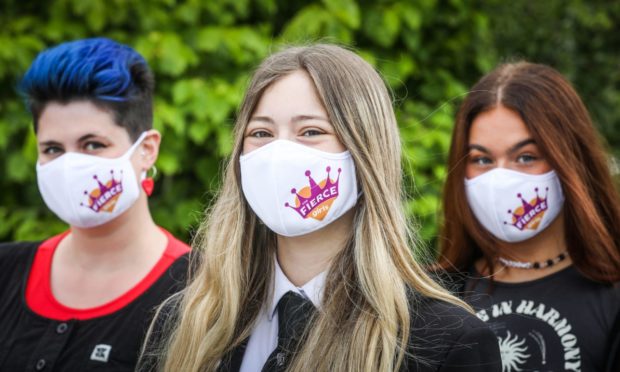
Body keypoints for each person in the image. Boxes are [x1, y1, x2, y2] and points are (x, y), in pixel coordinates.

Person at [138, 44, 501, 372]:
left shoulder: (446, 341)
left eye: (310, 132)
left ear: (364, 154)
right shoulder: (188, 321)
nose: (279, 154)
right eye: (261, 133)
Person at [0, 38, 190, 371]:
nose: (71, 165)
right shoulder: (6, 270)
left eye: (92, 144)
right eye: (53, 149)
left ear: (147, 150)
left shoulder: (196, 290)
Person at [437, 61, 620, 371]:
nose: (500, 178)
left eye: (526, 157)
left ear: (570, 159)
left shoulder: (611, 297)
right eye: (482, 159)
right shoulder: (436, 295)